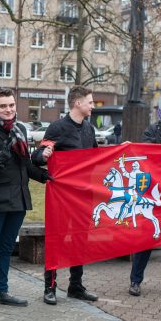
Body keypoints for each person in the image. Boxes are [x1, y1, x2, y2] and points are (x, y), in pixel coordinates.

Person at [0, 88, 50, 316]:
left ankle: (1, 290)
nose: (8, 110)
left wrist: (44, 177)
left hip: (18, 200)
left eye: (11, 105)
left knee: (6, 248)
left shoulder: (20, 129)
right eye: (3, 106)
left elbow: (25, 165)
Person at [32, 85, 99, 305]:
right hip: (62, 197)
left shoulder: (89, 129)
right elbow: (37, 156)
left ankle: (75, 286)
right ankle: (49, 287)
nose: (92, 105)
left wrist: (122, 150)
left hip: (84, 196)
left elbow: (98, 157)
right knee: (57, 240)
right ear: (78, 103)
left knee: (80, 240)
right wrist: (44, 155)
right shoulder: (57, 127)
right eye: (90, 101)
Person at [129, 91, 161, 297]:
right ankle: (135, 280)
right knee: (148, 236)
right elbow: (146, 152)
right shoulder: (155, 129)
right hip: (158, 192)